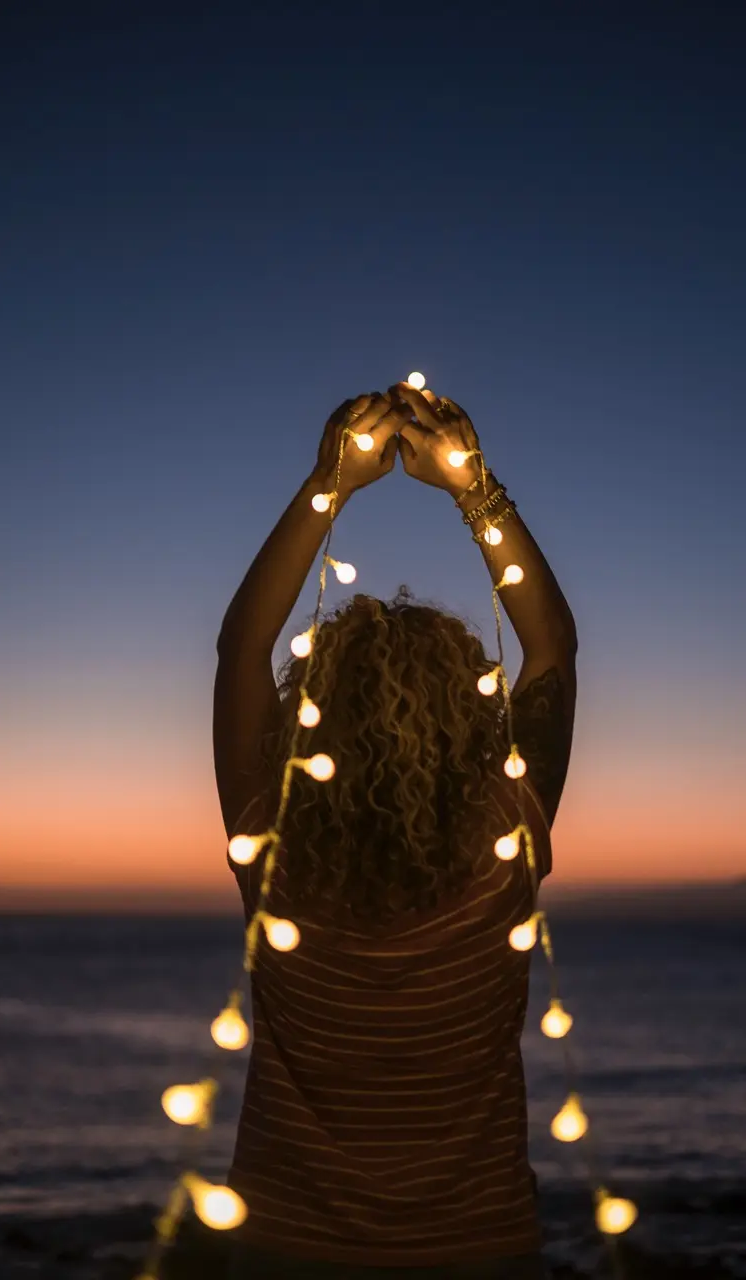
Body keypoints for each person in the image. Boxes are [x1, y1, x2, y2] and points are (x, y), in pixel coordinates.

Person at [213, 382, 578, 1280]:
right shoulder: (509, 838)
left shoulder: (274, 846)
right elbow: (553, 651)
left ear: (313, 714)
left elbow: (240, 651)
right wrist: (473, 489)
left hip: (283, 1250)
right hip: (478, 1247)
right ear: (471, 716)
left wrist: (325, 485)